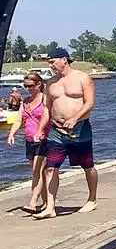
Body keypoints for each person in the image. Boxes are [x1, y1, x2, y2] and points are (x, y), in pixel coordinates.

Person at [33, 47, 98, 218]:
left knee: (87, 165)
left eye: (53, 62)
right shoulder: (51, 83)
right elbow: (47, 109)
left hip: (80, 129)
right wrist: (40, 130)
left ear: (64, 59)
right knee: (50, 168)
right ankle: (50, 208)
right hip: (56, 131)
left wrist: (75, 118)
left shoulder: (82, 78)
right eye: (49, 63)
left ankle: (92, 199)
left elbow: (90, 103)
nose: (51, 66)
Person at [6, 71, 48, 214]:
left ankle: (33, 202)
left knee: (37, 170)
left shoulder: (45, 100)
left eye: (30, 85)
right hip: (29, 140)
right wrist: (11, 134)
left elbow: (50, 116)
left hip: (44, 139)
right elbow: (19, 120)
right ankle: (48, 202)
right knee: (38, 172)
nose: (28, 88)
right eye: (25, 86)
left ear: (38, 84)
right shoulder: (26, 102)